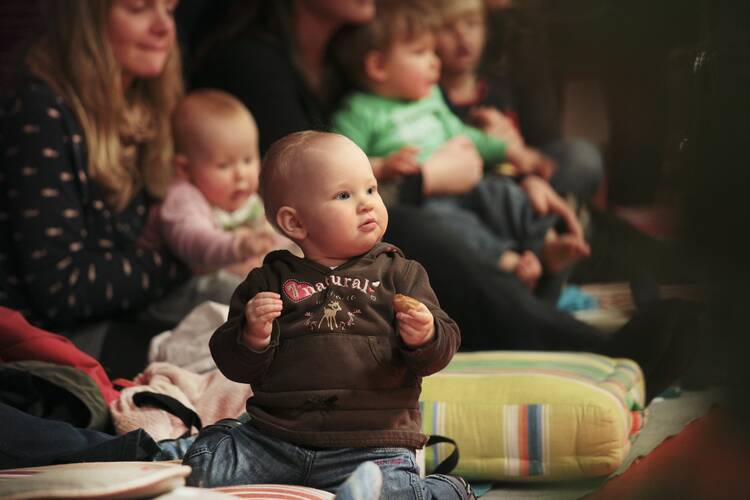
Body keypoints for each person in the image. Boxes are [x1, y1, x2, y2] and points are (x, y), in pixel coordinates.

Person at [185, 0, 696, 402]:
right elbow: (310, 200)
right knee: (420, 227)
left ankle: (699, 267)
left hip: (437, 198)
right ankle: (593, 348)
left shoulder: (346, 59)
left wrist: (509, 167)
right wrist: (428, 179)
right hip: (360, 233)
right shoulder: (252, 62)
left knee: (544, 178)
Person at [183, 131, 474, 499]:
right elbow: (233, 363)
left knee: (396, 493)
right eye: (344, 195)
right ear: (295, 224)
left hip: (373, 446)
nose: (367, 204)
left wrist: (426, 335)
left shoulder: (399, 274)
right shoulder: (269, 280)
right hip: (275, 440)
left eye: (371, 189)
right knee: (201, 472)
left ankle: (444, 490)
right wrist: (251, 336)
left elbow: (443, 347)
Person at [0, 0, 228, 360]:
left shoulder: (145, 103)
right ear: (86, 20)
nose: (163, 27)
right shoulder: (40, 109)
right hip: (57, 338)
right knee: (238, 349)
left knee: (272, 305)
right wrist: (187, 259)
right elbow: (62, 289)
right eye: (139, 8)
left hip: (137, 303)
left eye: (169, 10)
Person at [330, 0, 589, 289]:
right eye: (420, 53)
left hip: (472, 185)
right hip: (427, 201)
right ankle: (508, 263)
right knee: (453, 228)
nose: (434, 61)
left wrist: (513, 152)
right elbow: (341, 166)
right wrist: (380, 166)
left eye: (432, 51)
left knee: (505, 194)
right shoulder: (358, 111)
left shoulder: (430, 98)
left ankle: (545, 244)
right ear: (378, 66)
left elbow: (465, 136)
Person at [435, 0, 604, 203]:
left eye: (472, 24)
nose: (462, 36)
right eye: (448, 28)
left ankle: (535, 216)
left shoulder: (495, 85)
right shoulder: (429, 93)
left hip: (518, 177)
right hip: (471, 185)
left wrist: (526, 160)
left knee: (582, 159)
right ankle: (540, 222)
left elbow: (534, 147)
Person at [150, 89, 289, 281]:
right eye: (224, 165)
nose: (241, 174)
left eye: (248, 160)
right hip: (190, 290)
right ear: (184, 168)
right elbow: (193, 241)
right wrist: (238, 246)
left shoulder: (244, 197)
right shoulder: (182, 197)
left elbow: (273, 235)